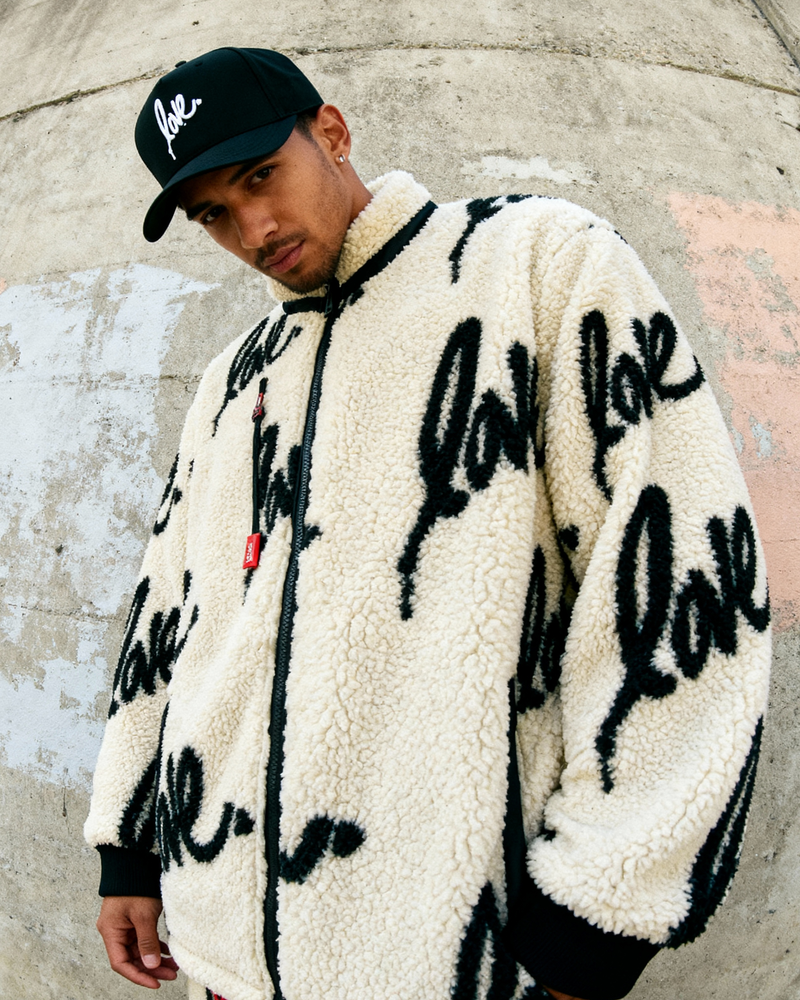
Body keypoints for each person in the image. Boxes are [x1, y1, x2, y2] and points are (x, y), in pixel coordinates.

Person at [84, 47, 772, 1000]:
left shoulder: (537, 265)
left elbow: (684, 584)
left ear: (330, 132)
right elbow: (170, 612)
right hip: (223, 951)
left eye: (259, 177)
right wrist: (128, 843)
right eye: (214, 213)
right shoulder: (232, 380)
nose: (255, 228)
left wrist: (599, 915)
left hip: (447, 957)